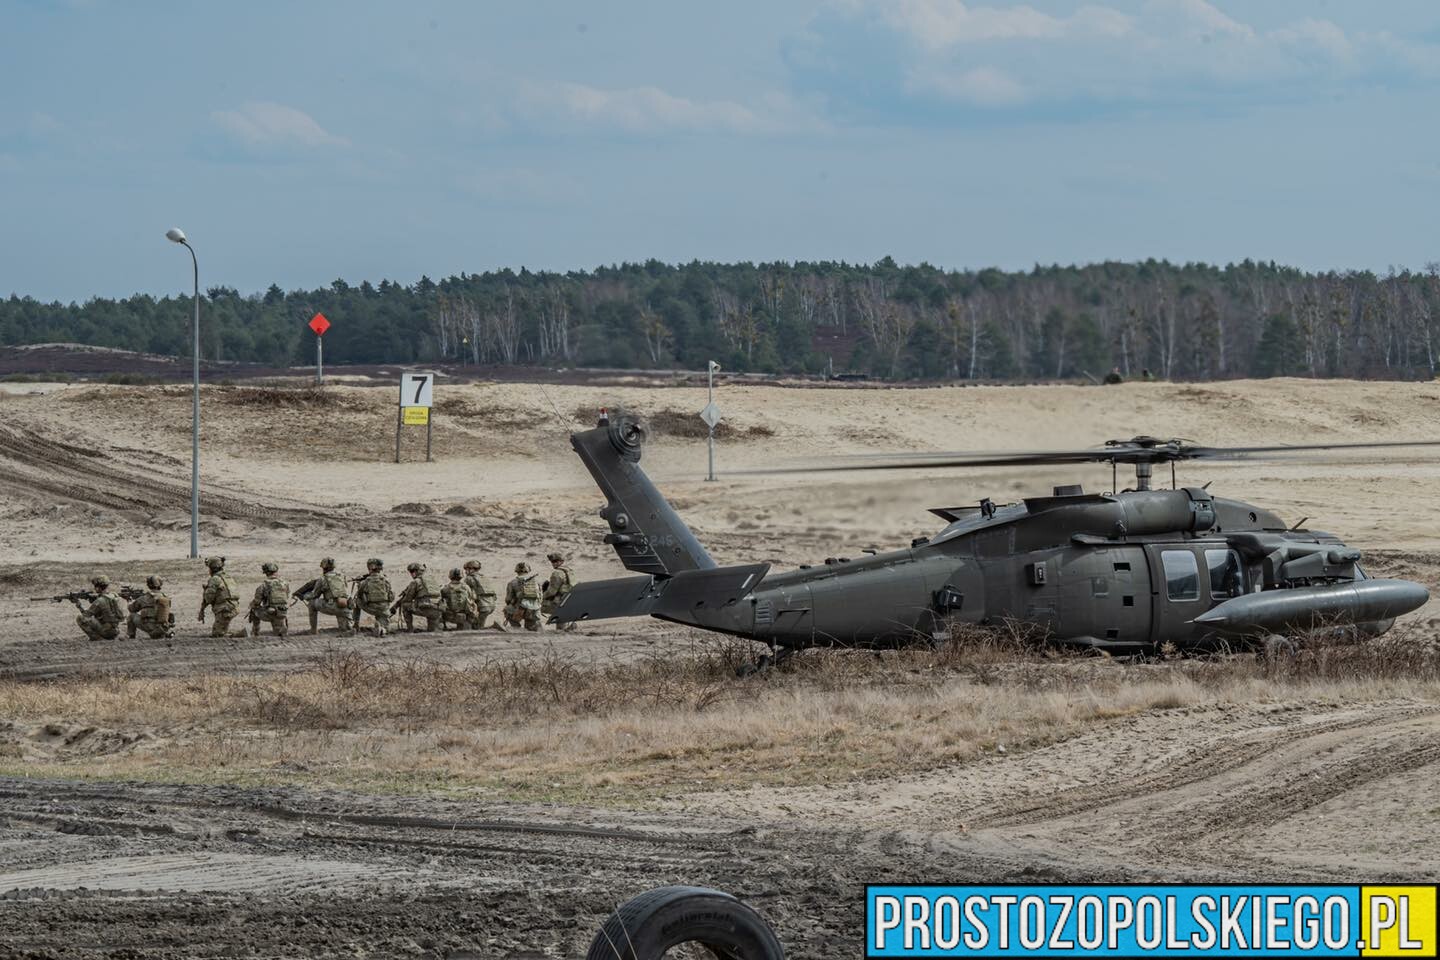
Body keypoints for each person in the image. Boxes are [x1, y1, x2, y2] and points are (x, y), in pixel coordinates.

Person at [301, 557, 353, 635]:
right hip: (345, 606)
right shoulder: (342, 576)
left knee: (312, 603)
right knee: (344, 629)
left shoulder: (323, 579)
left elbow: (315, 595)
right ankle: (347, 628)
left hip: (332, 606)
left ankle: (313, 630)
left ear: (324, 567)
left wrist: (304, 595)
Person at [199, 556, 241, 638]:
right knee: (222, 627)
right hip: (233, 607)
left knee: (217, 634)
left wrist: (206, 591)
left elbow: (208, 598)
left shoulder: (215, 579)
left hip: (224, 609)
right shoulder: (228, 577)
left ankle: (240, 634)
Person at [395, 562, 444, 632]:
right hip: (437, 609)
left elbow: (408, 599)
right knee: (432, 630)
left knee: (405, 605)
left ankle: (410, 630)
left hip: (426, 608)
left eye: (412, 571)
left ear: (417, 571)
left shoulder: (416, 582)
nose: (411, 574)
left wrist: (398, 604)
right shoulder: (432, 580)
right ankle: (434, 629)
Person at [351, 558, 394, 637]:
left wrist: (359, 584)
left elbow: (360, 595)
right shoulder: (386, 580)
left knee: (356, 601)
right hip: (384, 609)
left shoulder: (366, 581)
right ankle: (382, 630)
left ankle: (355, 625)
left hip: (371, 608)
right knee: (386, 627)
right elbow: (392, 596)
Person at [247, 561, 290, 638]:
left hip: (270, 612)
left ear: (266, 573)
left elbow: (257, 601)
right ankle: (283, 629)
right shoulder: (285, 584)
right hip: (283, 611)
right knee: (279, 629)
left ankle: (255, 633)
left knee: (254, 611)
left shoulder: (264, 585)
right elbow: (287, 596)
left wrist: (251, 605)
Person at [76, 575, 124, 642]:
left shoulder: (99, 601)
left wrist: (79, 606)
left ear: (99, 587)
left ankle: (97, 638)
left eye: (95, 586)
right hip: (115, 631)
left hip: (106, 632)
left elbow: (86, 615)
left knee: (80, 618)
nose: (95, 589)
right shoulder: (114, 596)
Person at [127, 574, 174, 639]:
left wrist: (130, 601)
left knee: (131, 616)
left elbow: (132, 609)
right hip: (163, 629)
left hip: (151, 628)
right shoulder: (166, 597)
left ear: (149, 585)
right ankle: (161, 634)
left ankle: (131, 636)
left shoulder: (144, 598)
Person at [541, 551, 577, 630]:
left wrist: (541, 597)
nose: (553, 563)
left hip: (560, 601)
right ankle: (567, 628)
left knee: (536, 607)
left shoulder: (557, 573)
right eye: (552, 561)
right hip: (570, 600)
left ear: (561, 561)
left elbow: (551, 592)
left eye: (555, 561)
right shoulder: (570, 571)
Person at [504, 561, 543, 631]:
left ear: (516, 570)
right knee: (532, 624)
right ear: (528, 570)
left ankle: (516, 628)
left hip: (520, 611)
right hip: (534, 611)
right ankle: (531, 628)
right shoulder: (536, 582)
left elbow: (508, 599)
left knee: (507, 609)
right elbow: (540, 597)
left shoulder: (512, 582)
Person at [463, 559, 499, 630]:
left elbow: (467, 592)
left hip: (483, 605)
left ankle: (493, 628)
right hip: (491, 604)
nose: (465, 571)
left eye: (467, 569)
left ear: (471, 569)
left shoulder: (469, 578)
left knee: (476, 625)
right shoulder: (483, 577)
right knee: (479, 622)